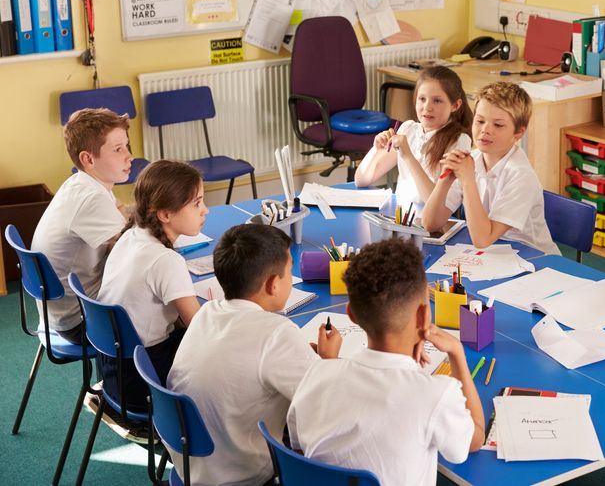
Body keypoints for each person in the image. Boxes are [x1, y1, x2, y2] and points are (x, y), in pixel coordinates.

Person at [287, 238, 484, 486]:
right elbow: (475, 440)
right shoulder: (437, 395)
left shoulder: (316, 374)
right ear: (424, 315)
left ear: (351, 314)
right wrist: (456, 352)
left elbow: (297, 447)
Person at [167, 224, 342, 486]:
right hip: (242, 475)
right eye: (289, 270)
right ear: (273, 284)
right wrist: (328, 362)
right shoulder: (277, 333)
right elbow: (326, 402)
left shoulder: (207, 312)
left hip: (189, 464)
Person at [97, 160, 206, 411]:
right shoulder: (165, 260)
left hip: (115, 373)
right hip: (144, 383)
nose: (205, 210)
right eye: (197, 203)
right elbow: (200, 328)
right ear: (165, 214)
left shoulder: (130, 235)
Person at [422, 81, 558, 255]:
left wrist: (468, 179)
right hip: (495, 252)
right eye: (480, 121)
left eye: (498, 125)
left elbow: (482, 240)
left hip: (535, 258)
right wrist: (445, 180)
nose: (485, 130)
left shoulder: (521, 175)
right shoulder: (471, 160)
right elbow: (430, 224)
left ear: (519, 132)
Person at [31, 108, 132, 344]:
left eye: (127, 146)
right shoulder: (91, 198)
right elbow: (133, 252)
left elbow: (122, 216)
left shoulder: (80, 182)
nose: (129, 156)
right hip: (82, 321)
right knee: (165, 301)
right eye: (118, 149)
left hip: (63, 311)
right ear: (88, 159)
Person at [354, 66, 473, 206]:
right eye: (422, 99)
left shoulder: (459, 141)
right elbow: (361, 180)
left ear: (455, 105)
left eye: (437, 101)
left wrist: (409, 157)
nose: (427, 107)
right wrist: (376, 150)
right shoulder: (408, 129)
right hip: (400, 214)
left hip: (428, 218)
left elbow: (436, 205)